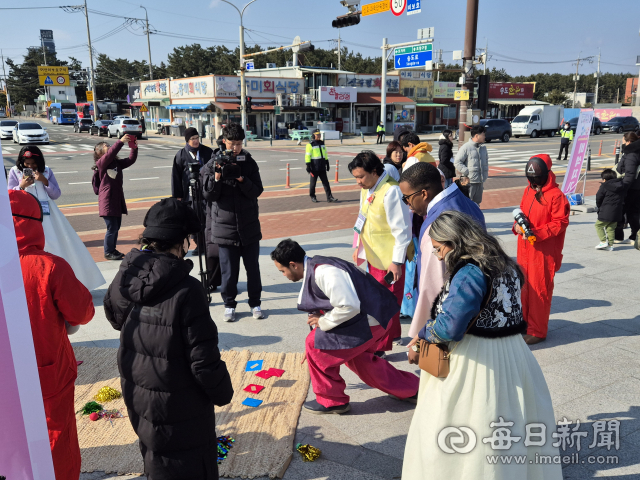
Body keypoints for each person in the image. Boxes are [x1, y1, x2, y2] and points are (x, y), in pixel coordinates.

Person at [402, 211, 562, 480]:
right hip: (514, 355)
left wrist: (421, 336)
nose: (438, 256)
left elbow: (449, 327)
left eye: (439, 249)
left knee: (463, 424)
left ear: (454, 242)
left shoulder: (470, 272)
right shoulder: (505, 265)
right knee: (507, 422)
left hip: (476, 359)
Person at [104, 198, 233, 480]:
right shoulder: (188, 289)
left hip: (140, 392)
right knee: (187, 465)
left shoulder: (128, 272)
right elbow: (203, 361)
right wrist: (224, 392)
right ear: (183, 241)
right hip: (178, 402)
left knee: (155, 456)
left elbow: (115, 319)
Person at [271, 239, 419, 414]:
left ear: (293, 265)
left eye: (282, 271)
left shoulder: (324, 273)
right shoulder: (317, 264)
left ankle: (332, 401)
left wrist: (323, 321)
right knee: (360, 359)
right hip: (372, 317)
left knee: (315, 345)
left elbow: (349, 306)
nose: (283, 275)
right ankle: (411, 389)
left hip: (371, 320)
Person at [10, 189, 95, 480]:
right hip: (45, 372)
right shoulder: (49, 267)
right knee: (55, 440)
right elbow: (83, 312)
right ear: (34, 222)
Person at [399, 162, 485, 338]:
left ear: (424, 194)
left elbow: (432, 287)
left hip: (451, 317)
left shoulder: (436, 228)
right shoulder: (469, 204)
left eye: (406, 198)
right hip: (476, 302)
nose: (407, 204)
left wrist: (420, 336)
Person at [8, 146, 105, 290]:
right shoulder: (15, 172)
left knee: (61, 245)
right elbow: (10, 196)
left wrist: (45, 181)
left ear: (39, 161)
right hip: (26, 216)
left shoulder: (46, 170)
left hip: (49, 215)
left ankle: (70, 285)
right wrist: (21, 186)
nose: (30, 166)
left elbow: (56, 194)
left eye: (33, 164)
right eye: (27, 164)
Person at [349, 151, 412, 355]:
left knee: (384, 303)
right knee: (379, 300)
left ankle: (379, 347)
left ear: (375, 172)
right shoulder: (367, 188)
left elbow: (402, 230)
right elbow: (362, 218)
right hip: (374, 256)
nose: (358, 182)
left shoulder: (392, 191)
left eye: (361, 177)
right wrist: (357, 246)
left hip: (388, 260)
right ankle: (388, 336)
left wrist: (396, 262)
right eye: (356, 177)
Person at [201, 123, 265, 322]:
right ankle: (229, 305)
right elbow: (208, 195)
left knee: (253, 268)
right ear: (223, 141)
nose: (235, 148)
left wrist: (241, 178)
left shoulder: (248, 162)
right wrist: (218, 178)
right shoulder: (213, 163)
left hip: (249, 225)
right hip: (225, 227)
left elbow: (257, 190)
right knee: (229, 271)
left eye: (238, 144)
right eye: (231, 143)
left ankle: (255, 303)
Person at [513, 155, 569, 345]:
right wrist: (517, 226)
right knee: (524, 288)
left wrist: (536, 233)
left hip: (543, 251)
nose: (534, 183)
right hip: (525, 248)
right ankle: (524, 324)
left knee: (539, 290)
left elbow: (559, 223)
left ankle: (537, 331)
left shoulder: (556, 196)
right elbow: (520, 211)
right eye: (531, 180)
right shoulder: (528, 190)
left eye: (537, 179)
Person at [171, 126, 221, 291]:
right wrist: (177, 195)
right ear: (187, 140)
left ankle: (206, 244)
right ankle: (198, 243)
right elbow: (176, 176)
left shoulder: (207, 152)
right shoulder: (180, 155)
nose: (196, 141)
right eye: (193, 139)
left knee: (206, 219)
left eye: (197, 138)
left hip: (205, 192)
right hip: (189, 194)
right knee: (194, 220)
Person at [92, 135, 138, 260]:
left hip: (116, 200)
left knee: (116, 227)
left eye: (108, 145)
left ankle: (112, 250)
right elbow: (110, 155)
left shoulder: (115, 163)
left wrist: (134, 147)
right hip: (107, 200)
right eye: (106, 146)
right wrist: (121, 142)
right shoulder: (101, 163)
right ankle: (108, 252)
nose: (109, 146)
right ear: (99, 152)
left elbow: (130, 160)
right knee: (111, 227)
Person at [614, 132, 640, 244]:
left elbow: (630, 174)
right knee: (632, 212)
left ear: (628, 142)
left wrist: (622, 188)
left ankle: (618, 236)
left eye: (623, 140)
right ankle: (634, 236)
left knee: (621, 211)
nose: (622, 142)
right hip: (635, 187)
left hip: (630, 188)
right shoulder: (632, 152)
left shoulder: (631, 154)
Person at [454, 125, 489, 205]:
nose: (484, 137)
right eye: (483, 135)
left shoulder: (483, 147)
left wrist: (485, 172)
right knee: (466, 202)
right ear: (477, 135)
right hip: (469, 181)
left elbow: (486, 160)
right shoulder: (466, 147)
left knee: (477, 203)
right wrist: (467, 172)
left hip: (480, 180)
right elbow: (457, 162)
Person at [595, 168, 625, 251]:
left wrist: (599, 207)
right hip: (617, 211)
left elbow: (599, 197)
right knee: (611, 228)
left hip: (606, 210)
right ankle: (610, 245)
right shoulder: (621, 185)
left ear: (604, 179)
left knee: (598, 225)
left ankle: (603, 241)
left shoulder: (604, 186)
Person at [305, 129, 337, 203]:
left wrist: (327, 163)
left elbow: (325, 153)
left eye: (319, 134)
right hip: (314, 167)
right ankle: (313, 196)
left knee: (326, 183)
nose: (319, 136)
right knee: (313, 184)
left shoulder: (322, 143)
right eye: (317, 134)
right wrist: (308, 166)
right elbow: (307, 156)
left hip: (322, 167)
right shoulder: (310, 145)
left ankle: (330, 197)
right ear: (313, 135)